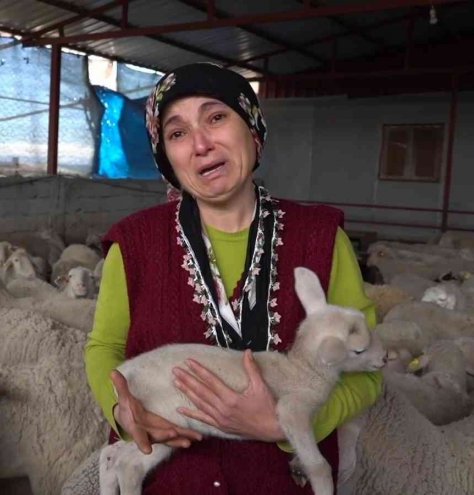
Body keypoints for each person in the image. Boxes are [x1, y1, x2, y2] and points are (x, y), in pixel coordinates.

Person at [84, 62, 382, 494]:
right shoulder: (134, 244)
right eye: (177, 133)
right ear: (166, 157)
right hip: (166, 482)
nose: (201, 144)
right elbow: (105, 348)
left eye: (216, 117)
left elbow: (366, 372)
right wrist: (123, 411)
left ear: (253, 129)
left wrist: (284, 423)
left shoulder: (319, 238)